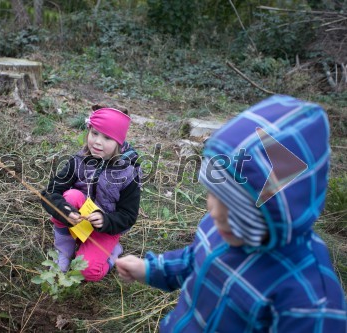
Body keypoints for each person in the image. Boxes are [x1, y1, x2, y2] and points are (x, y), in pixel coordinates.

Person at [116, 95, 347, 332]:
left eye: (236, 208)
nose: (214, 211)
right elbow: (194, 259)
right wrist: (150, 269)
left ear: (280, 212)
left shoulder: (310, 300)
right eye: (214, 193)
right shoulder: (219, 228)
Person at [41, 107, 141, 282]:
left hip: (106, 228)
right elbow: (50, 192)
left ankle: (113, 253)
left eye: (107, 137)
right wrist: (65, 211)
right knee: (71, 196)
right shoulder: (78, 161)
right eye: (94, 133)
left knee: (88, 272)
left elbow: (129, 215)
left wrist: (106, 221)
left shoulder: (127, 173)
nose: (97, 142)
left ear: (118, 142)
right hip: (80, 218)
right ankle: (64, 251)